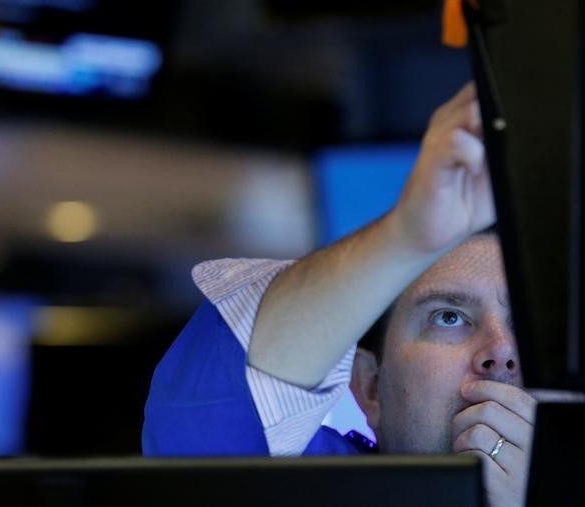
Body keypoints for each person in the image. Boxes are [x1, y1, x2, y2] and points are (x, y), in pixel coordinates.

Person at [142, 82, 536, 507]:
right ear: (369, 388)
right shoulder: (315, 491)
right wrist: (407, 236)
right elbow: (232, 400)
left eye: (527, 325)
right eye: (448, 317)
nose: (500, 350)